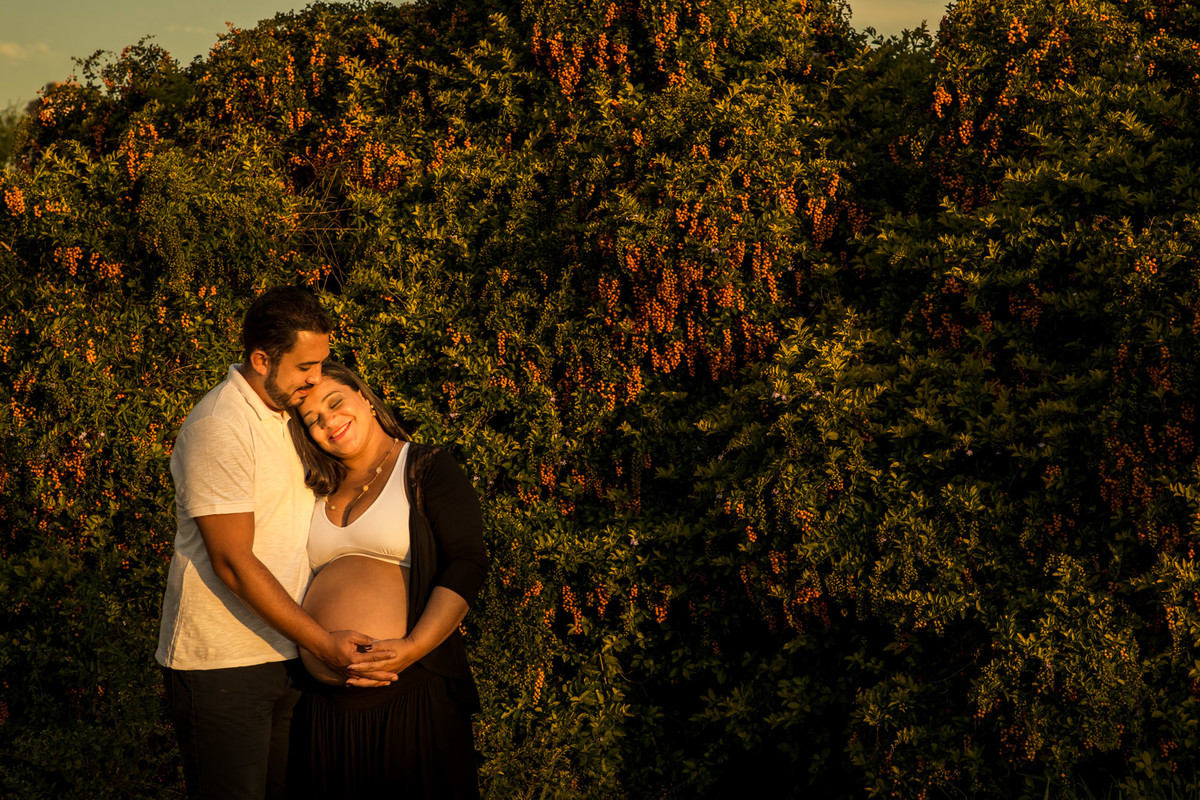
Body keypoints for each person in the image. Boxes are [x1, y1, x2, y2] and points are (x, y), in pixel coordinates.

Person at [156, 287, 396, 800]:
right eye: (305, 366)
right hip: (225, 666)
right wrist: (322, 642)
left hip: (287, 656)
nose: (316, 377)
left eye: (322, 362)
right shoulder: (220, 425)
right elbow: (232, 562)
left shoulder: (288, 415)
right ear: (262, 360)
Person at [286, 361, 488, 798]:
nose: (328, 422)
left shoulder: (425, 466)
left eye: (335, 403)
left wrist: (412, 647)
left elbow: (467, 562)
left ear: (365, 398)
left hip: (409, 695)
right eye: (313, 420)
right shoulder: (313, 489)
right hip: (325, 710)